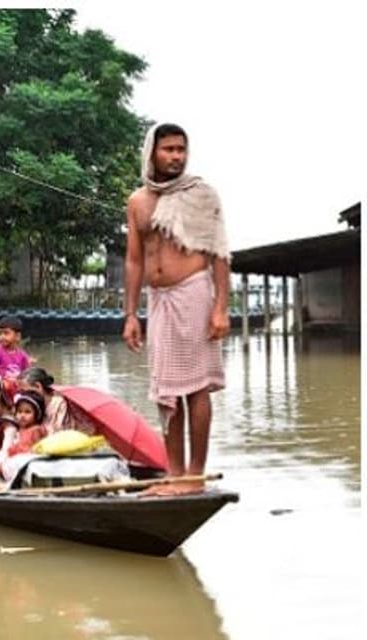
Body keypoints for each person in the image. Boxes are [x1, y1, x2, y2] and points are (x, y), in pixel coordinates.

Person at [123, 122, 228, 484]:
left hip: (195, 293)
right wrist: (130, 315)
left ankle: (194, 475)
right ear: (152, 152)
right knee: (165, 389)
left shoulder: (202, 194)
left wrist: (221, 308)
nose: (176, 156)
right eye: (168, 149)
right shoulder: (138, 201)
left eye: (181, 149)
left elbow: (219, 252)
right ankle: (174, 473)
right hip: (159, 300)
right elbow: (134, 260)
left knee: (197, 387)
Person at [0, 390, 50, 491]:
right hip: (16, 461)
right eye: (20, 412)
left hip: (24, 464)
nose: (22, 415)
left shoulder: (36, 430)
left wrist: (13, 451)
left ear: (37, 415)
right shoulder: (22, 429)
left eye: (27, 412)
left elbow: (29, 450)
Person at [19, 366, 70, 434]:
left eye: (23, 391)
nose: (22, 395)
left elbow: (59, 430)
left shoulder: (58, 403)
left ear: (38, 386)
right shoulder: (28, 404)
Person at [0, 315, 32, 381]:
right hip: (0, 386)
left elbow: (27, 374)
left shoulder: (22, 355)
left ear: (17, 336)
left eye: (6, 333)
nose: (2, 337)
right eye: (0, 333)